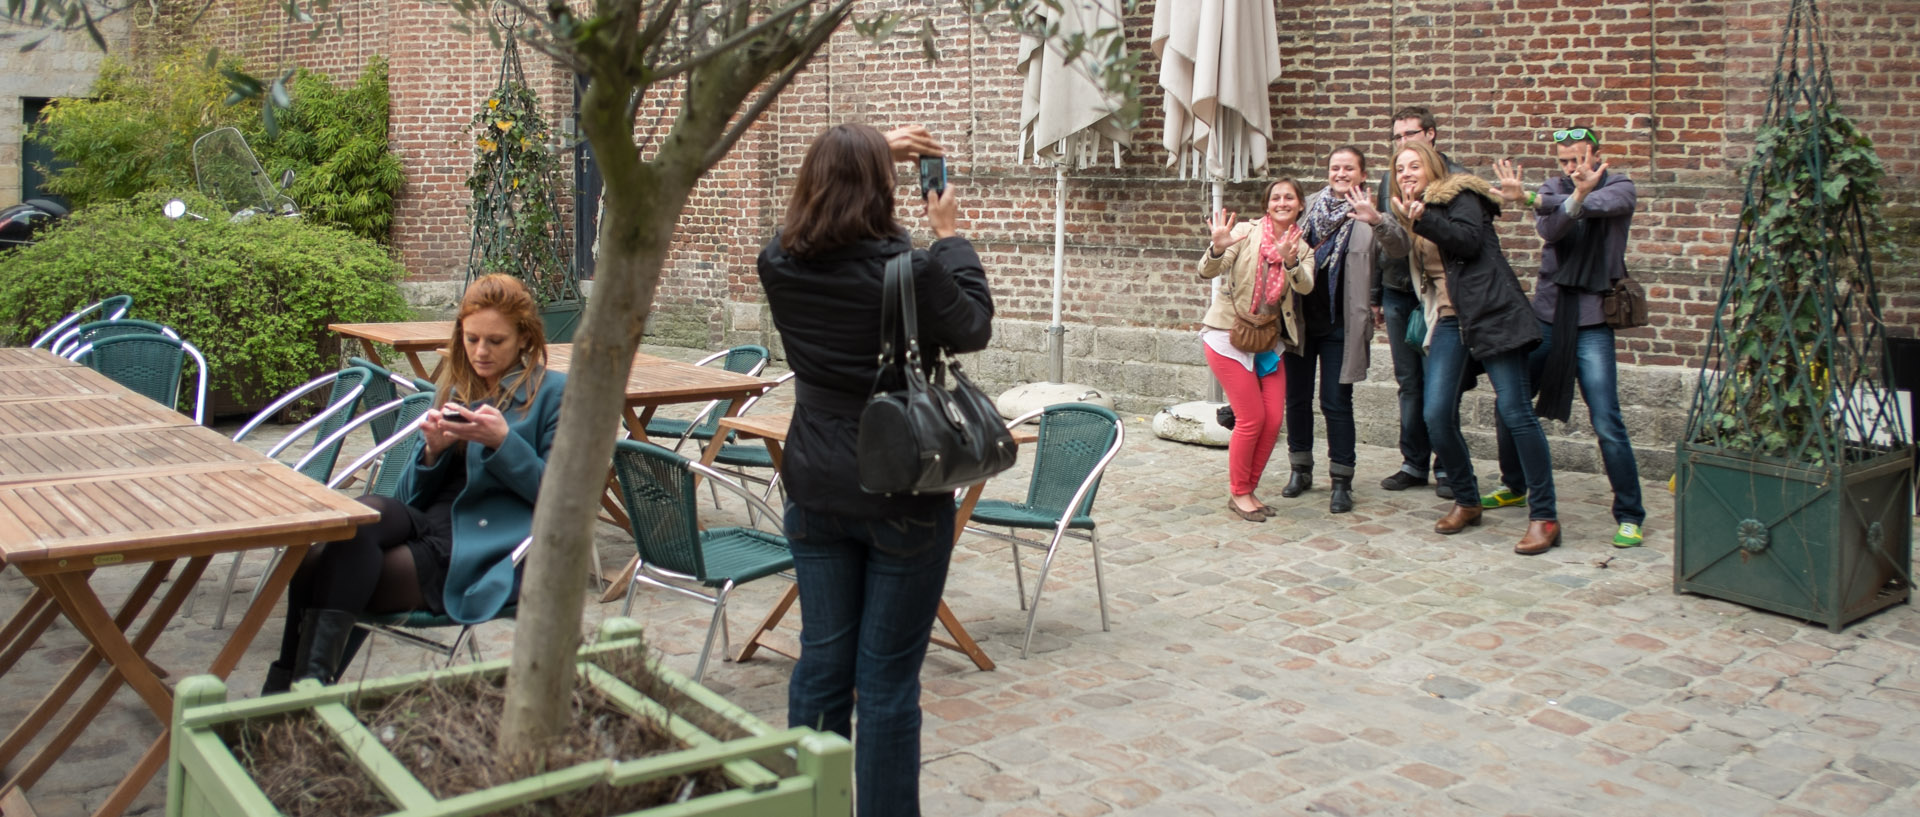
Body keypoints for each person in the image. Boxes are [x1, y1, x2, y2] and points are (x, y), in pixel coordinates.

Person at [756, 123, 993, 816]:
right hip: (902, 483)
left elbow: (799, 227)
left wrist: (868, 146)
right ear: (884, 189)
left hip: (816, 482)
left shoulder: (779, 263)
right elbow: (974, 324)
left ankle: (810, 804)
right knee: (887, 683)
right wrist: (948, 235)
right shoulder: (909, 268)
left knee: (822, 665)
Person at [263, 274, 565, 693]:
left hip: (486, 548)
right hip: (429, 523)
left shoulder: (554, 394)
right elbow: (406, 498)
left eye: (496, 341)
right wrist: (432, 453)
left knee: (320, 563)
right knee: (365, 516)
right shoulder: (460, 388)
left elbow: (564, 502)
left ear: (524, 339)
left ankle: (291, 696)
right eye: (471, 338)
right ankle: (305, 692)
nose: (481, 352)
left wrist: (503, 443)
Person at [1368, 141, 1560, 554]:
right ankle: (1467, 499)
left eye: (1414, 165)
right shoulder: (1413, 211)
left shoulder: (1461, 195)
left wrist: (1423, 221)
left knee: (1516, 412)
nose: (1406, 173)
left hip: (1492, 314)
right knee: (1436, 413)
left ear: (1433, 166)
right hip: (1451, 321)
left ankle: (1544, 515)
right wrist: (1380, 221)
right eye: (1399, 168)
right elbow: (1404, 255)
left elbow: (1469, 242)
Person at [1485, 126, 1646, 547]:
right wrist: (1557, 198)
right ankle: (1515, 484)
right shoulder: (1553, 188)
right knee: (1510, 402)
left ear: (1597, 155)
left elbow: (1604, 204)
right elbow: (1552, 229)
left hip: (1592, 320)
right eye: (1565, 160)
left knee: (1607, 419)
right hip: (1547, 316)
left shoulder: (1622, 185)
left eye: (1579, 158)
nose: (1572, 167)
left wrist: (1537, 200)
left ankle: (1629, 514)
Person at [1201, 178, 1315, 522]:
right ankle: (1239, 493)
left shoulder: (1302, 247)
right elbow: (1207, 270)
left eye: (1289, 198)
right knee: (1251, 419)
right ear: (1267, 205)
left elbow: (1306, 287)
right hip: (1227, 335)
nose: (1282, 202)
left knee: (1273, 419)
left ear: (1298, 206)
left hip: (1268, 341)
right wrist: (1218, 247)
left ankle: (1248, 489)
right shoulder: (1246, 233)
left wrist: (1290, 262)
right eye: (1275, 197)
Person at [1368, 107, 1468, 499]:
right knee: (1408, 382)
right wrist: (1376, 295)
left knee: (1442, 384)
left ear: (1431, 135)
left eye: (1410, 134)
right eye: (1397, 137)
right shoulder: (1388, 179)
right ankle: (1413, 462)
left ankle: (1446, 466)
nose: (1403, 143)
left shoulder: (1456, 179)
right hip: (1398, 291)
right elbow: (1383, 238)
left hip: (1441, 298)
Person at [1281, 146, 1378, 513]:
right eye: (1335, 167)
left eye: (1348, 168)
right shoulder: (1308, 209)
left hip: (1341, 324)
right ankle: (1300, 468)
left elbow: (1390, 251)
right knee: (1297, 399)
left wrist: (1379, 222)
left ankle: (1341, 480)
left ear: (1362, 174)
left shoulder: (1368, 211)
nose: (1341, 174)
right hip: (1302, 321)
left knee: (1336, 403)